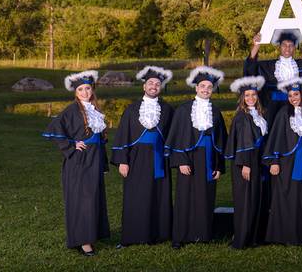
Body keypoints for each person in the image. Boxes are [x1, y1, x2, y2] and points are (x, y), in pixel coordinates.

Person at [42, 70, 110, 256]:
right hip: (80, 162)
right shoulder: (72, 110)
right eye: (81, 89)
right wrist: (71, 144)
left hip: (94, 160)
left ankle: (92, 235)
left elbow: (99, 138)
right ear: (76, 92)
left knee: (94, 198)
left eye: (88, 88)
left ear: (92, 90)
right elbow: (54, 129)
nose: (85, 92)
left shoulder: (95, 109)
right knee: (83, 200)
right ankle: (83, 242)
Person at [110, 65, 174, 248]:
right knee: (136, 195)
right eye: (150, 83)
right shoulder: (132, 109)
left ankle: (159, 234)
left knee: (158, 195)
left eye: (157, 83)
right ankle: (133, 236)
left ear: (160, 87)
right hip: (136, 158)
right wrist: (123, 160)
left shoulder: (168, 109)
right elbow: (123, 134)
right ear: (144, 86)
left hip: (159, 157)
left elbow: (175, 134)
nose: (154, 86)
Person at [165, 66, 227, 249]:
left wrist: (218, 166)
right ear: (196, 88)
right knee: (185, 197)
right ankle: (180, 236)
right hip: (189, 159)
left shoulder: (216, 112)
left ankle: (202, 234)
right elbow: (176, 137)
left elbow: (221, 142)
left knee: (206, 196)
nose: (206, 89)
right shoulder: (184, 110)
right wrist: (181, 161)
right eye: (202, 86)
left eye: (209, 87)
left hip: (208, 159)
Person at [262, 77, 302, 245]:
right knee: (285, 197)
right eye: (291, 95)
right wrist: (274, 161)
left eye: (296, 94)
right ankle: (283, 236)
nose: (293, 98)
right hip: (286, 163)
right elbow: (275, 138)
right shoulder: (283, 114)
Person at [246, 28, 302, 124]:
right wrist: (256, 45)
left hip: (298, 106)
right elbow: (251, 67)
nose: (287, 48)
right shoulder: (268, 66)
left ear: (294, 48)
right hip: (274, 108)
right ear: (279, 47)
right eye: (284, 45)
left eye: (291, 45)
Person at [226, 75, 269, 249]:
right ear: (242, 97)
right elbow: (243, 142)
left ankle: (253, 237)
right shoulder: (242, 117)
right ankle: (241, 240)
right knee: (245, 201)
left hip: (256, 161)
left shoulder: (259, 115)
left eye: (253, 94)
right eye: (247, 95)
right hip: (246, 164)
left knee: (254, 199)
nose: (250, 98)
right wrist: (245, 165)